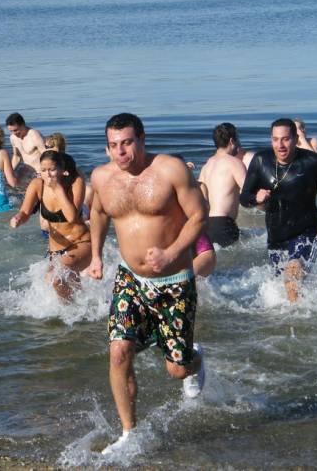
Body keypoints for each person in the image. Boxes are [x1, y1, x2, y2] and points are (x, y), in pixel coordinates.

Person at [88, 113, 207, 454]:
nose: (120, 152)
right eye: (113, 145)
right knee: (119, 351)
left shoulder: (171, 170)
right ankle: (129, 434)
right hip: (131, 278)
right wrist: (96, 256)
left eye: (126, 143)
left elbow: (199, 216)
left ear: (141, 139)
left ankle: (195, 358)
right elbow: (97, 213)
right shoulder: (101, 176)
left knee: (177, 369)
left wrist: (171, 254)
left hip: (174, 280)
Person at [239, 118, 317, 303]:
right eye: (276, 139)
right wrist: (255, 198)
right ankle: (308, 312)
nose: (280, 145)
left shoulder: (312, 161)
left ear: (295, 138)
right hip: (276, 237)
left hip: (307, 233)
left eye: (285, 139)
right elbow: (244, 197)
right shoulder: (261, 160)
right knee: (289, 284)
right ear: (271, 140)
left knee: (292, 276)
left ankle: (295, 322)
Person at [10, 151, 91, 300]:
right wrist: (18, 218)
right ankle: (81, 316)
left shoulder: (75, 182)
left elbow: (71, 217)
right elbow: (25, 211)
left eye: (52, 169)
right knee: (74, 292)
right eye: (43, 170)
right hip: (56, 251)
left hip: (80, 244)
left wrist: (58, 189)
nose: (47, 175)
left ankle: (71, 312)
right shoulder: (37, 184)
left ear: (62, 169)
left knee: (55, 277)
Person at [197, 123, 247, 248]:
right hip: (224, 225)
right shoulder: (234, 163)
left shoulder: (205, 167)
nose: (240, 144)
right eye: (238, 139)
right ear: (232, 141)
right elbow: (248, 192)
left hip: (205, 225)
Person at [6, 113, 45, 180]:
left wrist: (44, 173)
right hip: (26, 172)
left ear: (23, 125)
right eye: (11, 131)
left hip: (38, 173)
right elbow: (16, 156)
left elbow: (45, 154)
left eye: (15, 130)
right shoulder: (13, 138)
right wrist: (10, 172)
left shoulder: (34, 135)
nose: (14, 133)